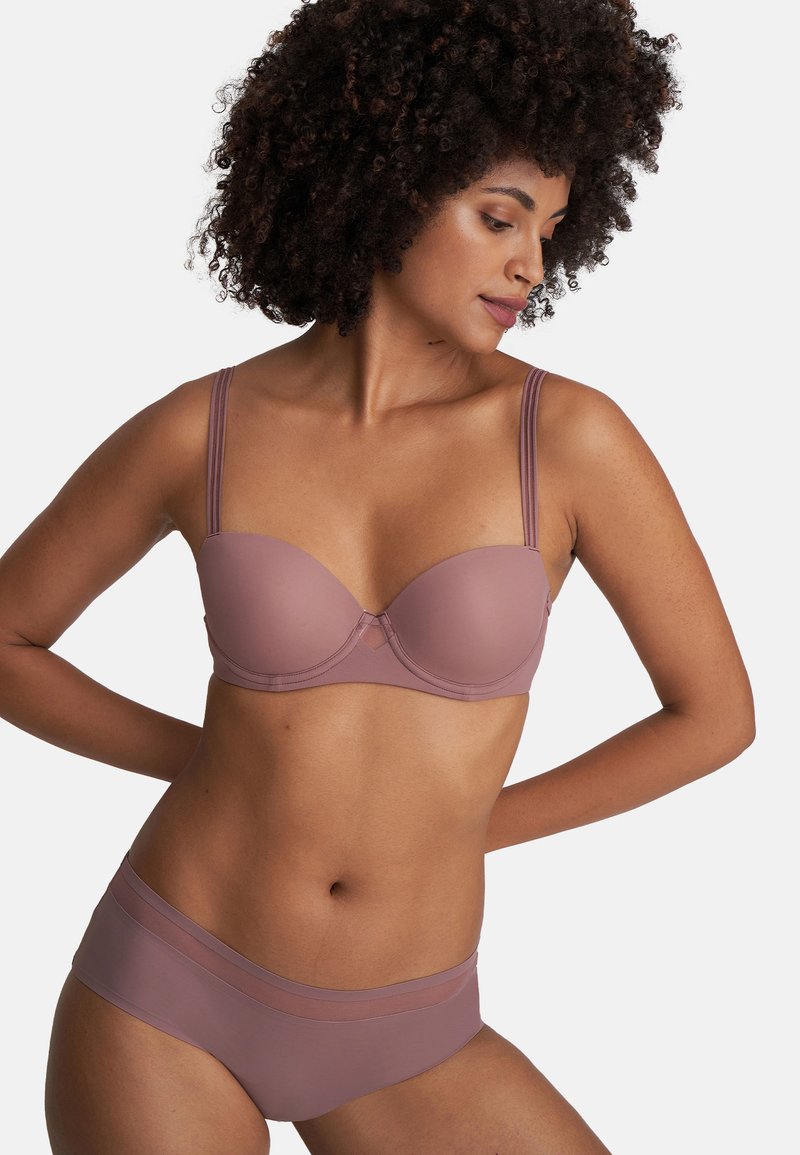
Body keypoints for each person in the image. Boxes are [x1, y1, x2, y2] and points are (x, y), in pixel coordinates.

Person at [0, 1, 755, 1152]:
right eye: (498, 217)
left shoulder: (567, 440)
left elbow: (713, 716)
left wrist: (465, 827)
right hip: (167, 989)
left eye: (550, 229)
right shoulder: (200, 431)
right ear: (388, 184)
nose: (530, 263)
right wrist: (211, 764)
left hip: (409, 1028)